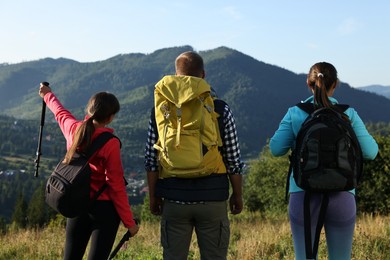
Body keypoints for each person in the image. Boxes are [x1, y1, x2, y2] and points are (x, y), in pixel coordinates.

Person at [269, 62, 378, 260]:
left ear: (308, 83)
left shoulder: (295, 113)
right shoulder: (348, 115)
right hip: (342, 194)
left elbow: (275, 149)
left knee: (305, 256)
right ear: (335, 84)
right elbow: (371, 152)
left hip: (303, 195)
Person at [144, 51, 245, 260]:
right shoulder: (219, 108)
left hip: (174, 198)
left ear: (176, 74)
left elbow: (151, 160)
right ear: (203, 74)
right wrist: (237, 194)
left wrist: (154, 196)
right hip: (212, 197)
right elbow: (233, 159)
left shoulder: (161, 110)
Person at [39, 84, 139, 260]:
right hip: (104, 210)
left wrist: (47, 94)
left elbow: (59, 112)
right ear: (110, 118)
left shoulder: (74, 129)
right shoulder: (111, 143)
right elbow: (115, 185)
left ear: (89, 110)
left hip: (76, 203)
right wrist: (129, 223)